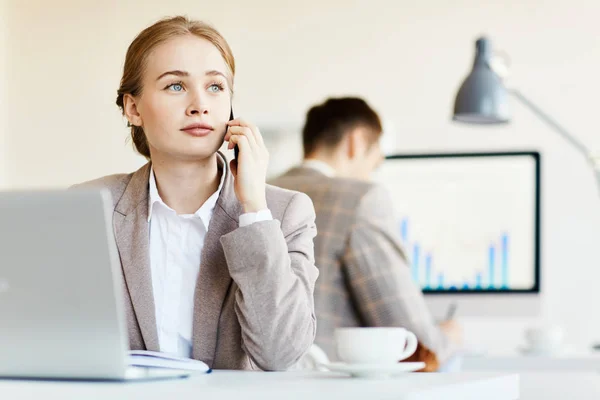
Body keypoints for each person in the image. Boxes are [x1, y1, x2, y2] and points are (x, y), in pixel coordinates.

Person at [75, 16, 319, 371]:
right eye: (175, 86)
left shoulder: (284, 213)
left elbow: (279, 354)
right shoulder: (90, 206)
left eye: (216, 87)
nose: (199, 105)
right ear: (133, 108)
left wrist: (253, 210)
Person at [270, 97, 462, 371]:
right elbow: (416, 344)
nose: (374, 171)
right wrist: (448, 337)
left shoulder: (257, 192)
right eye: (376, 161)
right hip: (328, 388)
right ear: (356, 142)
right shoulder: (361, 199)